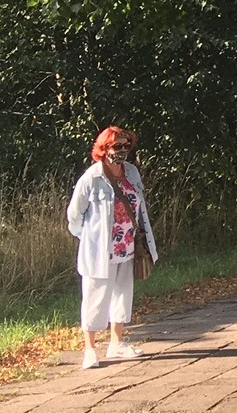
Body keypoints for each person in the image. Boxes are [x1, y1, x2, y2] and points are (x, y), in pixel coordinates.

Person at [66, 126, 159, 369]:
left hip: (128, 246)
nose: (123, 150)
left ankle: (117, 343)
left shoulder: (131, 173)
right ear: (104, 148)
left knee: (122, 294)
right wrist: (89, 239)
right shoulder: (91, 178)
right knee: (95, 297)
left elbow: (139, 207)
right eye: (117, 146)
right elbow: (74, 217)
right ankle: (90, 349)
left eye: (126, 145)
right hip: (99, 250)